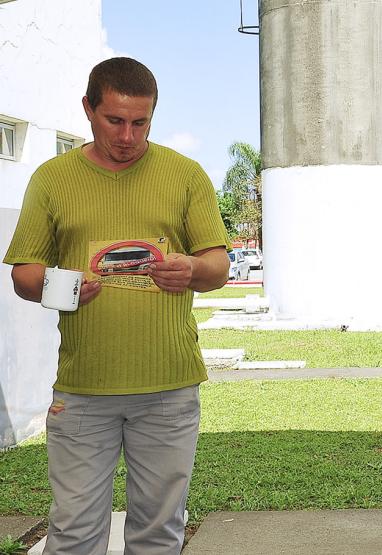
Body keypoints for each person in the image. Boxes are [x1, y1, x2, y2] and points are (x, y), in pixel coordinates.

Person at [4, 57, 230, 554]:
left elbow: (218, 266)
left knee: (159, 533)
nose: (128, 136)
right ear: (88, 109)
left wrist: (191, 269)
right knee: (73, 534)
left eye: (141, 122)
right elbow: (23, 274)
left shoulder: (185, 174)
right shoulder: (53, 178)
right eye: (114, 120)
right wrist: (62, 286)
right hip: (83, 389)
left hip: (169, 388)